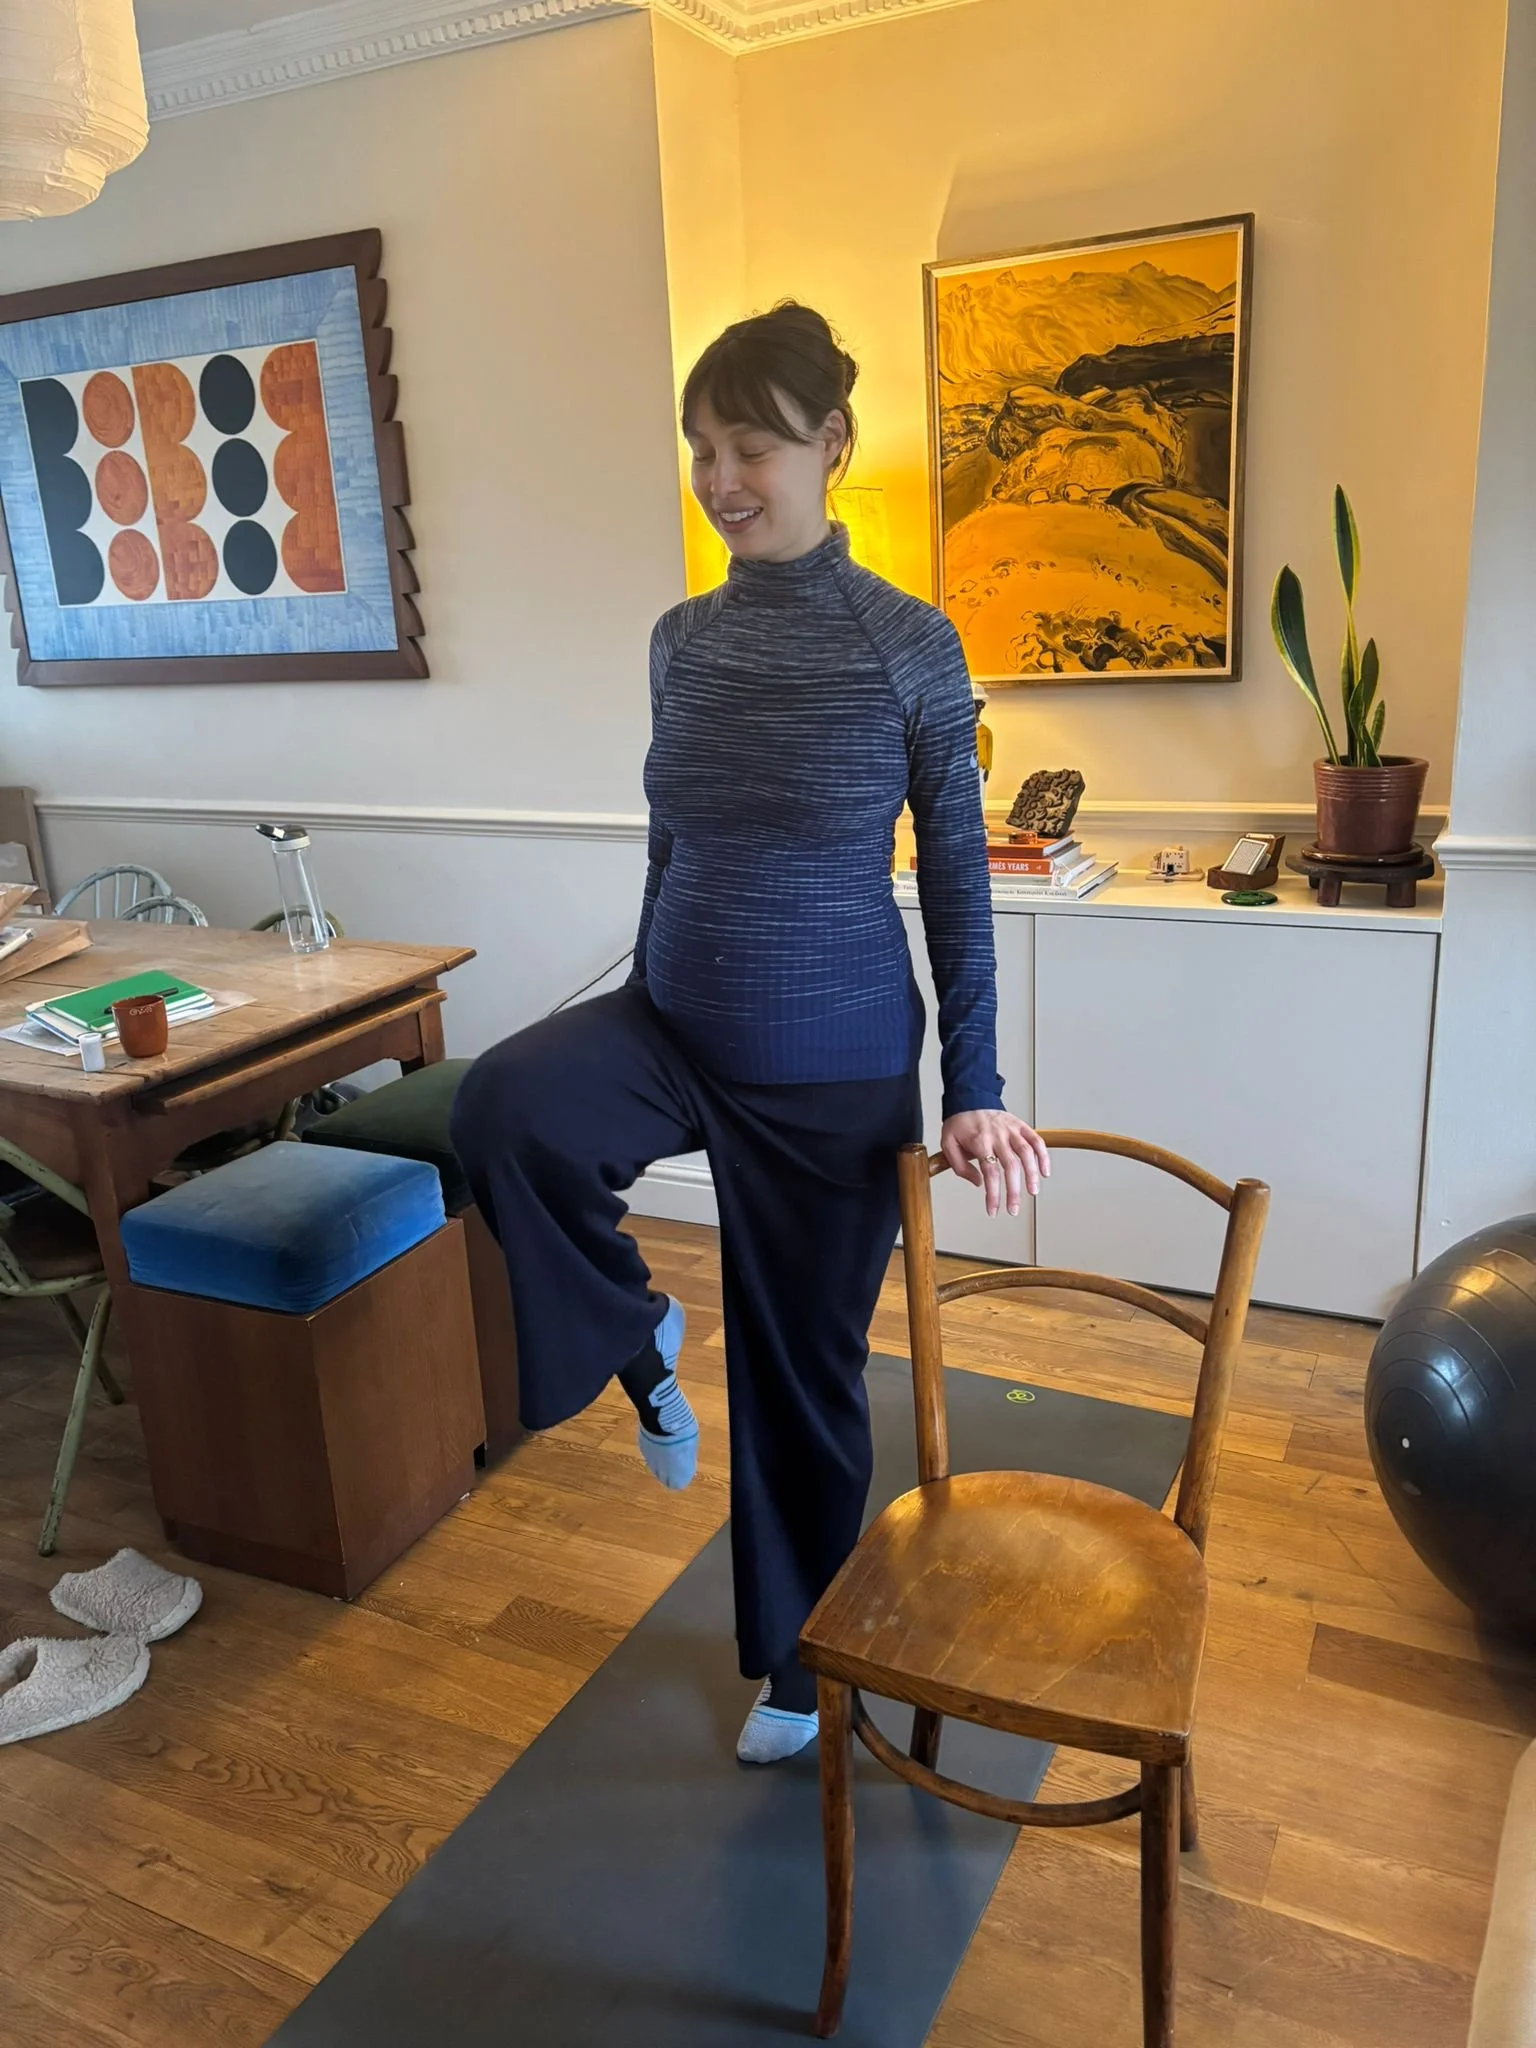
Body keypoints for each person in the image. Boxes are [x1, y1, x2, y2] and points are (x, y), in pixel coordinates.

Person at [452, 301, 1050, 1765]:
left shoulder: (910, 644)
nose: (722, 477)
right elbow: (672, 840)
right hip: (674, 1020)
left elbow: (959, 882)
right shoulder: (681, 641)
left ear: (830, 446)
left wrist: (972, 1084)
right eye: (703, 448)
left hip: (832, 1065)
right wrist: (646, 971)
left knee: (802, 1379)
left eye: (753, 446)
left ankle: (799, 1667)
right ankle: (641, 1337)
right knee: (504, 1111)